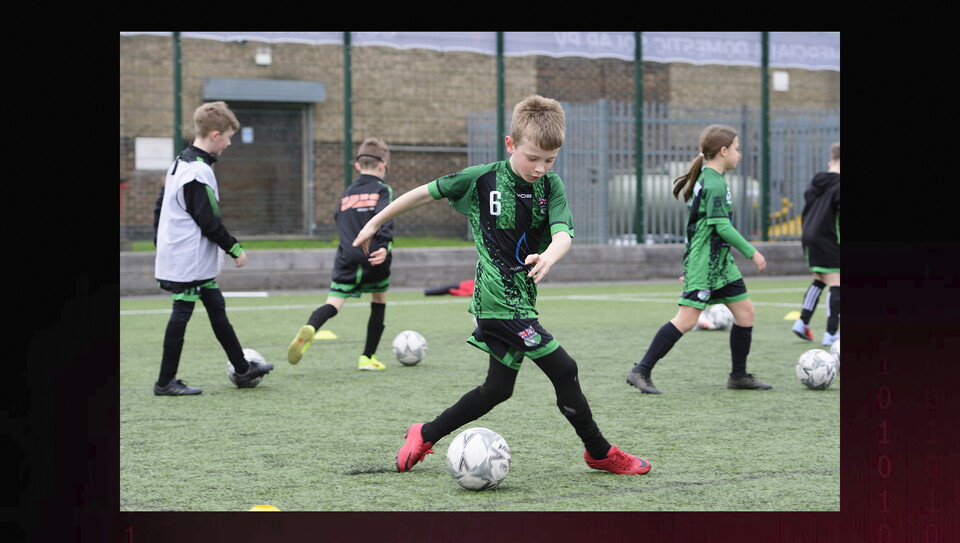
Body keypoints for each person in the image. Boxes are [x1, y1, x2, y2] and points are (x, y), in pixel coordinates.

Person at [354, 95, 651, 475]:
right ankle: (599, 451)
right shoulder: (482, 178)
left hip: (522, 300)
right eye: (533, 158)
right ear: (510, 144)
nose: (541, 168)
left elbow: (563, 233)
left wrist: (549, 256)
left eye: (550, 160)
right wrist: (375, 222)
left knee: (497, 390)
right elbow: (424, 192)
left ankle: (424, 433)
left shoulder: (551, 187)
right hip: (496, 300)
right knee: (564, 368)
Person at [625, 124, 771, 394]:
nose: (740, 154)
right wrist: (753, 252)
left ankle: (738, 376)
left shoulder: (713, 177)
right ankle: (640, 371)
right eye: (737, 149)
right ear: (723, 151)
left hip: (720, 264)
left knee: (745, 312)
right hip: (705, 263)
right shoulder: (714, 182)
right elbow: (722, 227)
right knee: (687, 320)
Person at [153, 101, 274, 395]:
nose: (230, 143)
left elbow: (159, 207)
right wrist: (234, 248)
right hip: (187, 260)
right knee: (181, 311)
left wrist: (161, 242)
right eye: (229, 136)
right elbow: (208, 220)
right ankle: (165, 382)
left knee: (216, 306)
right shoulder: (196, 171)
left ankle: (243, 369)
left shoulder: (179, 164)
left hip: (186, 257)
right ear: (215, 134)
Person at [287, 138, 395, 371]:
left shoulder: (347, 193)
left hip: (346, 256)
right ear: (383, 165)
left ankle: (311, 328)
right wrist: (384, 246)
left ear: (357, 166)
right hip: (374, 256)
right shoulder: (382, 190)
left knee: (334, 303)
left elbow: (338, 218)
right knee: (378, 301)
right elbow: (385, 217)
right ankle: (367, 357)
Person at [792, 142, 840, 346]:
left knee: (820, 278)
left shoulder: (815, 183)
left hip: (809, 237)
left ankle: (802, 322)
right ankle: (831, 332)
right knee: (837, 283)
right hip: (828, 237)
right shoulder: (838, 185)